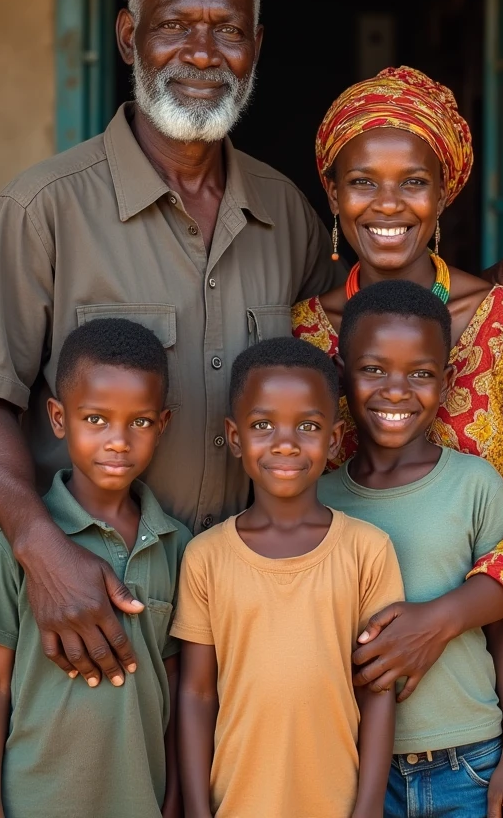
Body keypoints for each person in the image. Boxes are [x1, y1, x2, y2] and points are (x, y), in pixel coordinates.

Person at [0, 0, 503, 692]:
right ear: (127, 36)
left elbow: (375, 316)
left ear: (257, 46)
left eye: (228, 31)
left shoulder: (288, 214)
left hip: (257, 621)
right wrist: (42, 551)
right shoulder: (43, 208)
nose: (203, 53)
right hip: (98, 599)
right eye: (175, 24)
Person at [292, 66, 503, 818]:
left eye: (413, 183)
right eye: (362, 182)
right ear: (332, 196)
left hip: (483, 719)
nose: (387, 204)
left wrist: (446, 617)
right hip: (341, 712)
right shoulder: (302, 333)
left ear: (444, 193)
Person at [319, 280, 503, 818]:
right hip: (360, 770)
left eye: (420, 373)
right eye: (373, 369)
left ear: (445, 379)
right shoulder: (317, 498)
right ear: (342, 372)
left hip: (471, 762)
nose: (396, 390)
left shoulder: (474, 484)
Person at [0, 318, 190, 818]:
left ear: (163, 424)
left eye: (141, 422)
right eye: (96, 419)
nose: (118, 440)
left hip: (140, 799)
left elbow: (175, 683)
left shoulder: (178, 545)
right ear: (59, 418)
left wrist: (174, 797)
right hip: (35, 799)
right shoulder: (20, 547)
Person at [172, 337, 404, 818]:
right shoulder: (205, 557)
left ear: (335, 440)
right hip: (235, 803)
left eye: (308, 426)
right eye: (262, 425)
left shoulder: (368, 550)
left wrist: (368, 809)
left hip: (336, 804)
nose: (284, 442)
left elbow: (378, 690)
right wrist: (197, 810)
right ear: (235, 438)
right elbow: (196, 694)